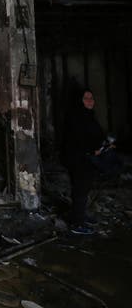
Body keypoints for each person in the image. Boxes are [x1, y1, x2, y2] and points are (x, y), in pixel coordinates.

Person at [63, 89, 104, 235]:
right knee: (80, 190)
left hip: (87, 159)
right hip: (78, 159)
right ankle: (77, 223)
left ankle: (80, 215)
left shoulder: (89, 116)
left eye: (91, 98)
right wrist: (92, 150)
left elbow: (96, 134)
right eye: (86, 98)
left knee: (84, 189)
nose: (90, 101)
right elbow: (77, 140)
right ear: (79, 101)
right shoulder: (76, 118)